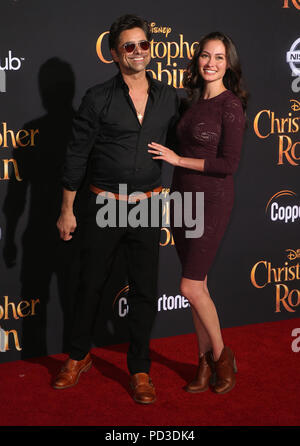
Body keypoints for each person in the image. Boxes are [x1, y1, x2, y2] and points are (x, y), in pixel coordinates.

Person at [52, 14, 179, 405]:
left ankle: (139, 368)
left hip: (147, 206)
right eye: (129, 46)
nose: (138, 52)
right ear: (114, 53)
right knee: (89, 285)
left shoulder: (169, 96)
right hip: (104, 204)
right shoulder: (97, 98)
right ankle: (78, 355)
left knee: (145, 290)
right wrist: (67, 210)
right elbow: (76, 155)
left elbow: (194, 135)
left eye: (144, 44)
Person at [148, 32, 247, 394]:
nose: (211, 63)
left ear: (229, 64)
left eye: (219, 57)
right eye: (206, 56)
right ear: (197, 60)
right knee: (198, 288)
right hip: (182, 201)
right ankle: (202, 363)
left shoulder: (230, 106)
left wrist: (178, 160)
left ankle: (223, 358)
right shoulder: (190, 104)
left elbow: (228, 164)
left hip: (212, 202)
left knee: (189, 286)